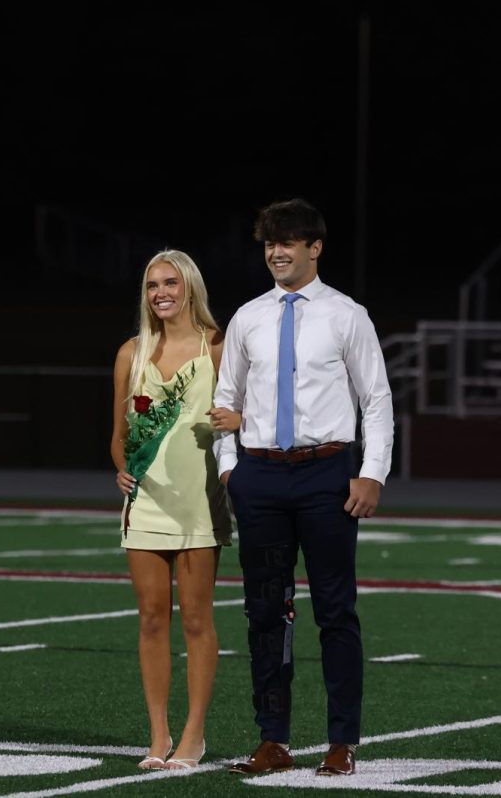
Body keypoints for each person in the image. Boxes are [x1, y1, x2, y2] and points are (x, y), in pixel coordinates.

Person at [212, 198, 393, 778]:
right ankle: (273, 740)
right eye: (269, 242)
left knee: (335, 611)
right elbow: (225, 400)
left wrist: (372, 473)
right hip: (259, 477)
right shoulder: (248, 317)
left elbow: (378, 399)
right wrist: (228, 468)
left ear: (315, 247)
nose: (276, 252)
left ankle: (343, 741)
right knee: (265, 613)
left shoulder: (347, 315)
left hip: (326, 474)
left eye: (288, 241)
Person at [110, 249, 239, 771]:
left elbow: (242, 412)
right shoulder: (131, 353)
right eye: (151, 285)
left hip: (200, 501)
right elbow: (118, 438)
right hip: (146, 503)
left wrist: (239, 419)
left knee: (197, 621)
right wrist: (121, 468)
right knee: (151, 618)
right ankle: (158, 735)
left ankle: (194, 735)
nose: (160, 293)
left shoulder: (220, 347)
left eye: (170, 283)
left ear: (191, 288)